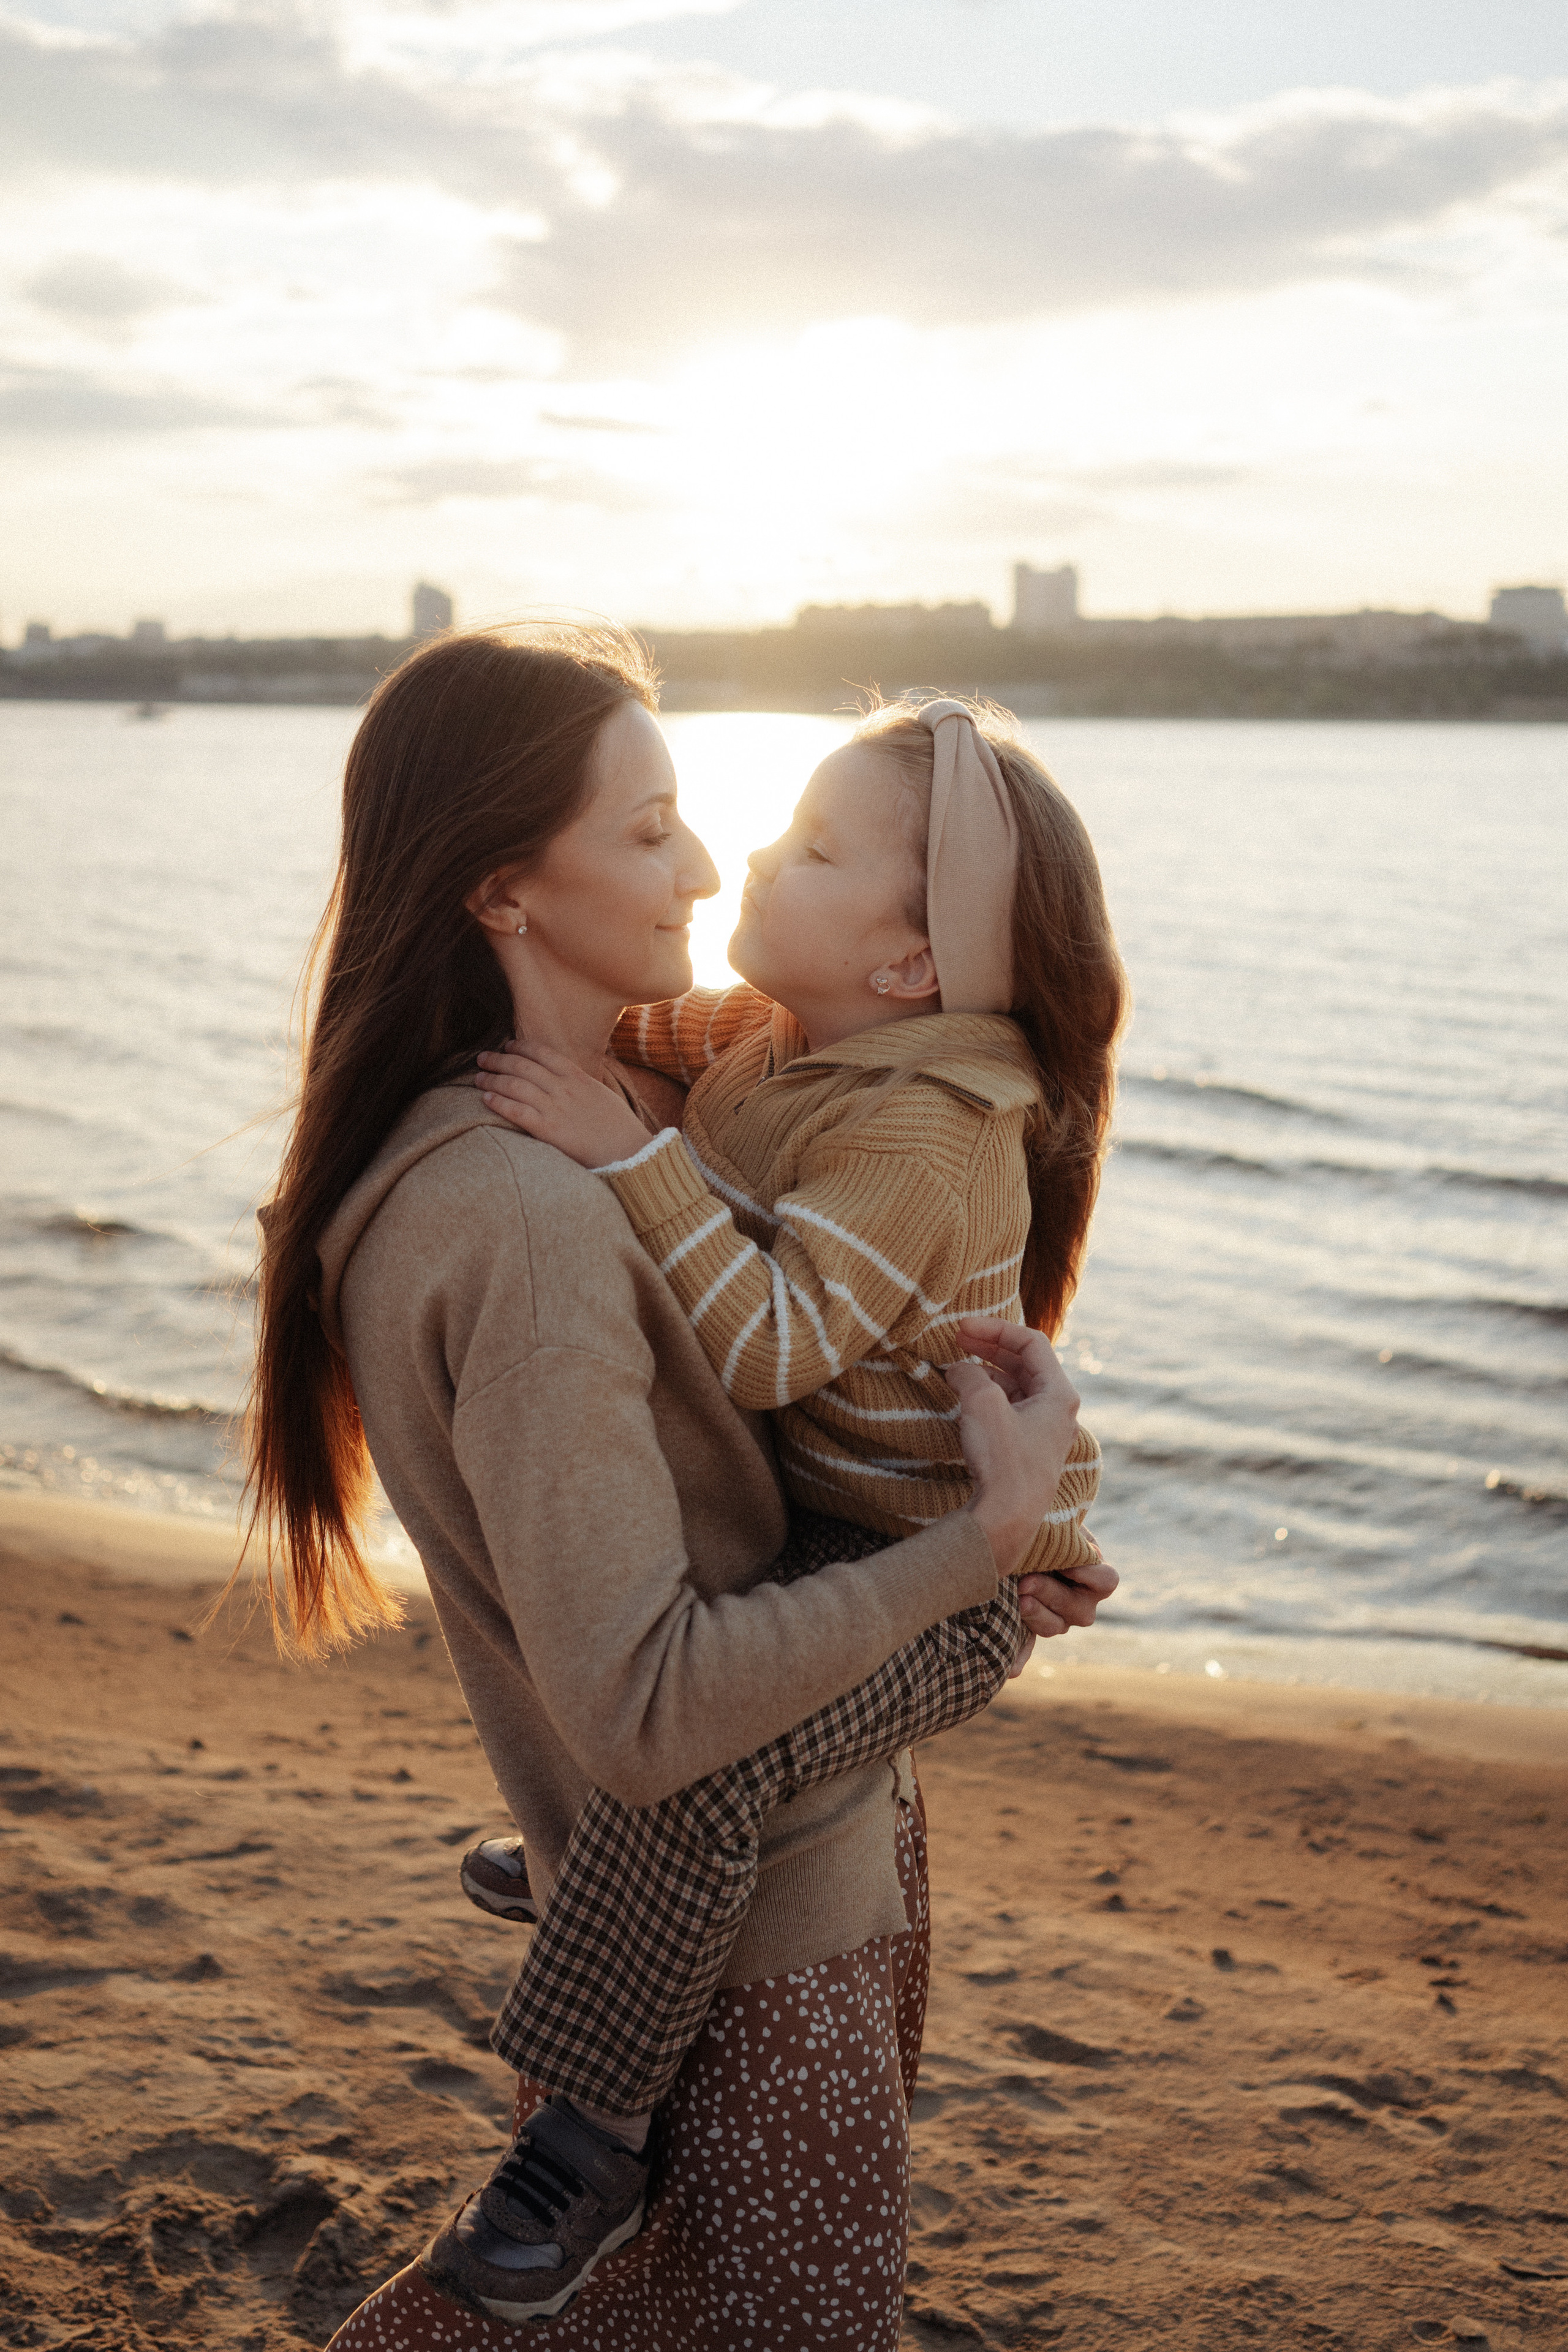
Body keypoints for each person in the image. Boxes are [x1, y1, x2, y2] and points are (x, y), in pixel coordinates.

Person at [244, 624, 1112, 2351]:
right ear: (502, 889)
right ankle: (582, 2139)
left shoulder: (641, 1092)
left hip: (787, 1863)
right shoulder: (541, 1207)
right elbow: (648, 1708)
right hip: (746, 1948)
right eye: (654, 832)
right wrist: (985, 1544)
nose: (714, 870)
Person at [459, 696, 1126, 2245]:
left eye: (812, 848)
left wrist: (629, 1155)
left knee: (715, 1752)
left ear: (907, 969)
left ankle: (592, 2146)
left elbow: (766, 1345)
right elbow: (622, 1026)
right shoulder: (779, 1037)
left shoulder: (919, 1133)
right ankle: (601, 1871)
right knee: (656, 1640)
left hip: (938, 1571)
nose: (755, 849)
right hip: (825, 1516)